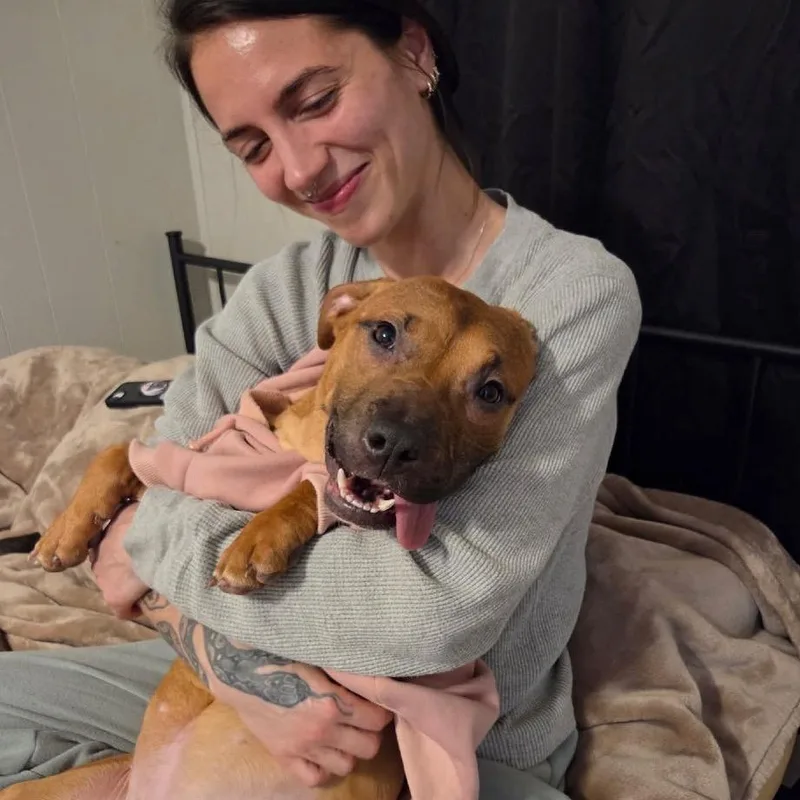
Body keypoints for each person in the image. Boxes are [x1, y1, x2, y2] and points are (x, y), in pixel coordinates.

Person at [0, 1, 642, 797]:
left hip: (447, 734)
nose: (300, 169)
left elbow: (433, 618)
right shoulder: (288, 286)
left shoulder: (572, 295)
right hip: (224, 669)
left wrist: (161, 568)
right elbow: (166, 481)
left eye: (315, 101)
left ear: (414, 54)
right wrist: (238, 676)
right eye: (255, 146)